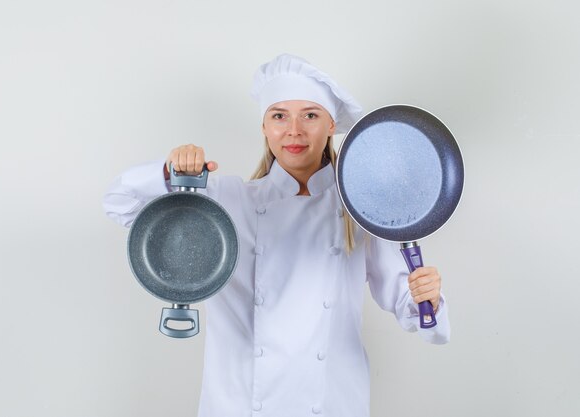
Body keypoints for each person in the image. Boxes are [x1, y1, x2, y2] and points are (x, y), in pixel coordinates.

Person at [103, 54, 449, 417]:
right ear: (265, 127)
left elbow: (418, 314)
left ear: (331, 125)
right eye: (279, 115)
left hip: (331, 404)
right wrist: (169, 171)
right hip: (237, 405)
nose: (294, 130)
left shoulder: (361, 208)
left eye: (310, 116)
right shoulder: (225, 201)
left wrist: (429, 297)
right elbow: (119, 203)